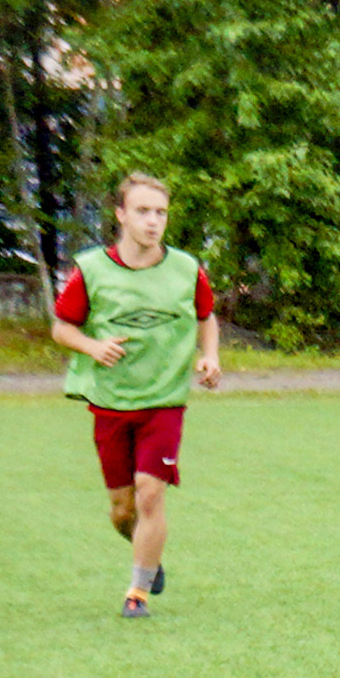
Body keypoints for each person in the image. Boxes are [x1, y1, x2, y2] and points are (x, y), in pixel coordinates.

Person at [51, 174, 221, 619]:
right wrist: (92, 347)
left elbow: (207, 316)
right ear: (121, 215)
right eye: (143, 211)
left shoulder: (186, 268)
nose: (153, 221)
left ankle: (137, 593)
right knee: (122, 509)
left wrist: (210, 357)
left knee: (150, 495)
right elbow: (61, 327)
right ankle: (149, 553)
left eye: (160, 212)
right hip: (110, 402)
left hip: (164, 401)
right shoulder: (91, 270)